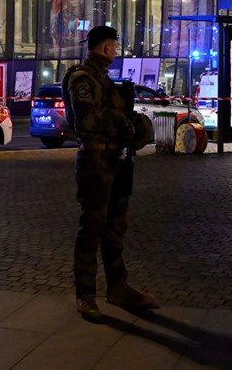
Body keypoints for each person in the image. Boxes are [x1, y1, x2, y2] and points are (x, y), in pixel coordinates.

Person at [63, 25, 159, 322]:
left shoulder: (103, 80)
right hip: (95, 161)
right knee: (92, 227)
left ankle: (118, 287)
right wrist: (125, 121)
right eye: (114, 47)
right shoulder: (82, 79)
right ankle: (86, 295)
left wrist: (134, 124)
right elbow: (89, 117)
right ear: (106, 48)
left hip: (116, 160)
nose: (115, 52)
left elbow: (117, 116)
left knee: (116, 227)